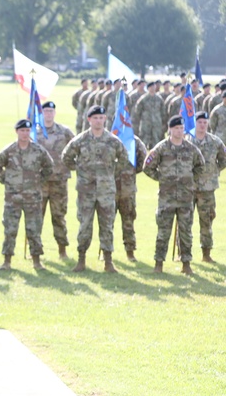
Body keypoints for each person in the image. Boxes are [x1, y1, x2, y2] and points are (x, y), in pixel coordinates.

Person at [61, 105, 128, 273]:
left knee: (107, 225)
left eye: (101, 117)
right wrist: (80, 171)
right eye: (95, 118)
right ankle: (81, 259)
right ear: (89, 120)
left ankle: (108, 261)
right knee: (84, 225)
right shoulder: (80, 140)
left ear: (105, 119)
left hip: (106, 191)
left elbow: (124, 159)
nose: (98, 121)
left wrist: (110, 174)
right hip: (86, 191)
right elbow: (66, 157)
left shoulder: (113, 140)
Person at [142, 115, 205, 274]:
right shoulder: (161, 148)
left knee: (185, 232)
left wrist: (189, 180)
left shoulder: (191, 148)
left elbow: (201, 166)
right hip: (166, 198)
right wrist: (162, 179)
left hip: (185, 198)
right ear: (170, 129)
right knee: (163, 232)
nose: (179, 131)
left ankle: (186, 264)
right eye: (176, 128)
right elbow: (147, 167)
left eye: (181, 128)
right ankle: (159, 264)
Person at [0, 119, 53, 270]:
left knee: (34, 229)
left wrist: (38, 182)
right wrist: (7, 181)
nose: (25, 133)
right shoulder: (9, 150)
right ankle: (7, 260)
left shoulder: (38, 150)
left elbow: (49, 167)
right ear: (17, 132)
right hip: (13, 198)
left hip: (33, 197)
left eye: (27, 131)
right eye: (22, 131)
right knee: (10, 229)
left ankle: (37, 261)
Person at [34, 101, 76, 258]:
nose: (48, 114)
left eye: (51, 111)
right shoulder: (34, 132)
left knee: (59, 216)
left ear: (54, 113)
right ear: (42, 113)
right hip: (40, 182)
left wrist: (69, 167)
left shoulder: (64, 132)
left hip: (59, 182)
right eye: (46, 111)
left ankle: (62, 250)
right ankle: (35, 251)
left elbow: (75, 148)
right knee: (37, 217)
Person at [187, 112, 226, 262]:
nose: (202, 125)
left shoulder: (215, 142)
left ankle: (206, 253)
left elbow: (223, 159)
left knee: (207, 221)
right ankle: (183, 252)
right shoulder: (187, 140)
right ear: (195, 123)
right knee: (185, 222)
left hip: (207, 189)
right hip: (189, 188)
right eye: (199, 122)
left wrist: (214, 171)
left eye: (205, 122)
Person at [112, 127, 147, 262]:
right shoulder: (109, 140)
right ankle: (106, 251)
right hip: (110, 189)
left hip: (128, 190)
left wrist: (130, 173)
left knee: (128, 222)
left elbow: (143, 161)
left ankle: (130, 252)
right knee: (107, 223)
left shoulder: (135, 142)